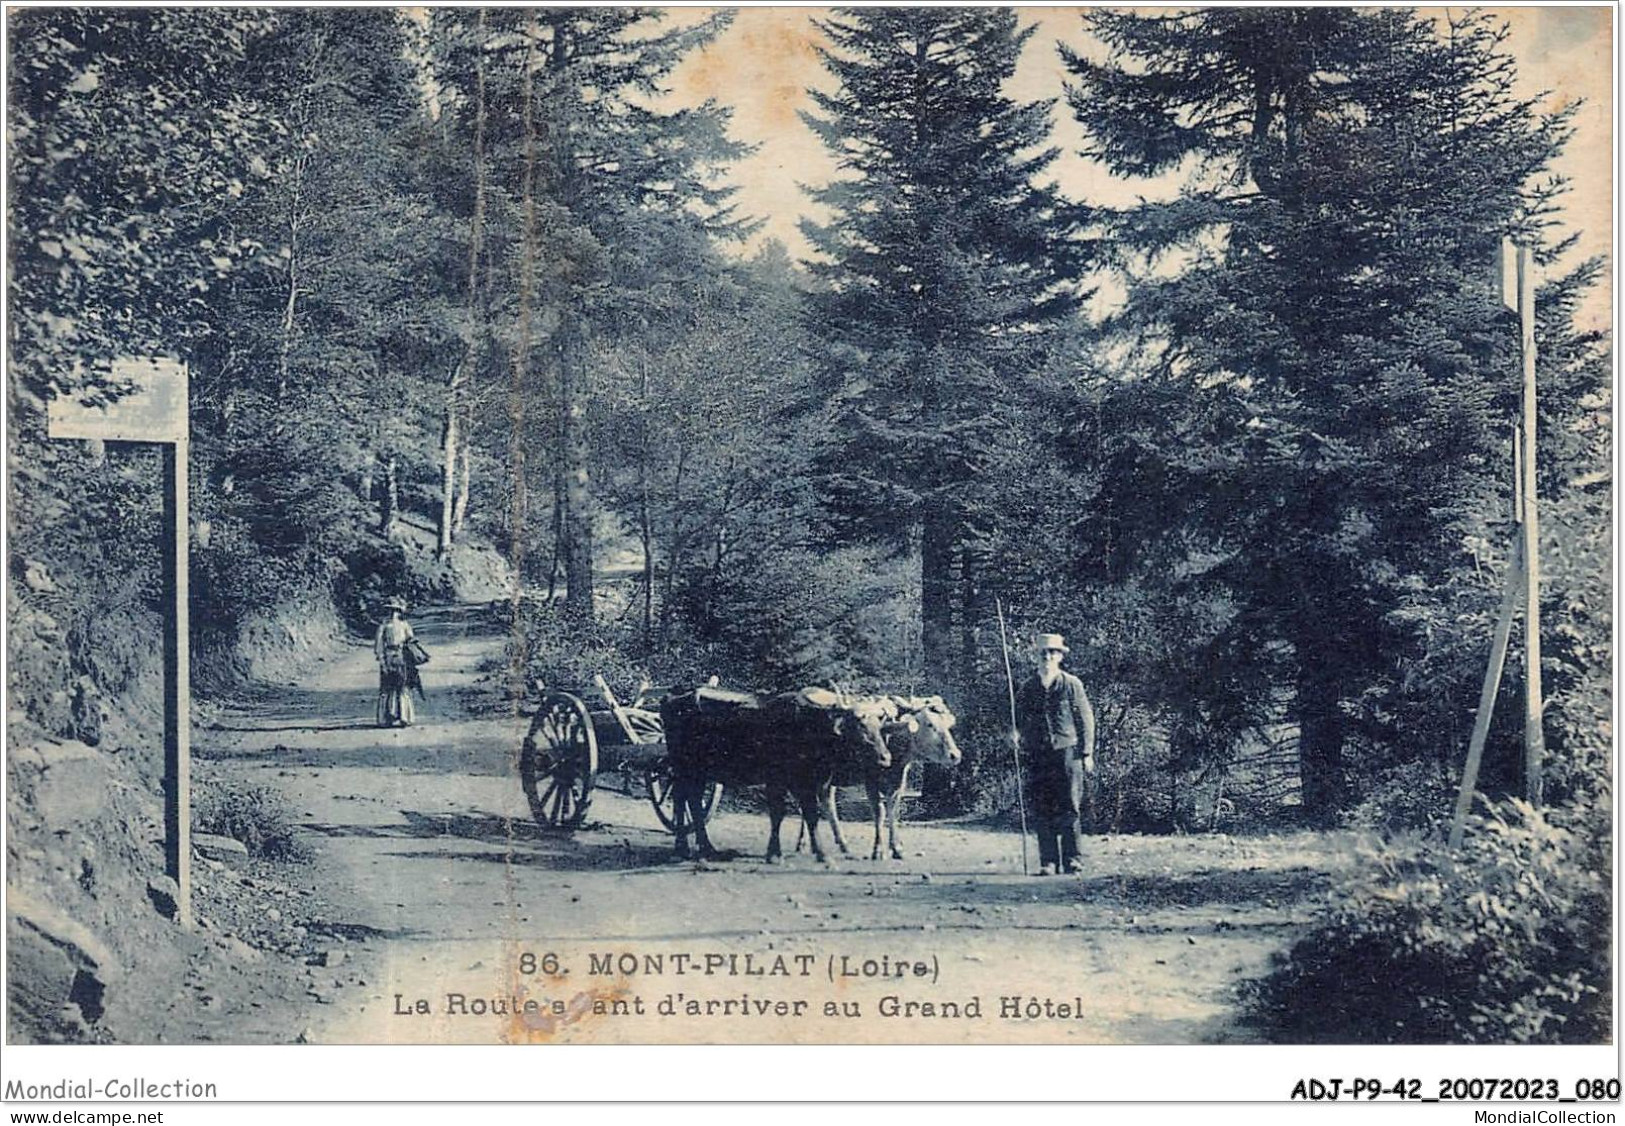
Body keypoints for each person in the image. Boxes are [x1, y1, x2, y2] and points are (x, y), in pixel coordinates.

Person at [1012, 632, 1096, 876]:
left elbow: (1086, 719)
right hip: (1038, 753)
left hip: (1068, 752)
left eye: (1052, 652)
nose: (1047, 657)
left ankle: (1072, 858)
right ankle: (1048, 861)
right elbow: (1017, 717)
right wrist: (1014, 733)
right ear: (1035, 656)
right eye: (1042, 653)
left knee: (1070, 805)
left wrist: (1087, 752)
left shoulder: (1071, 684)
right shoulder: (1028, 687)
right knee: (1042, 806)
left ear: (1060, 656)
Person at [374, 596, 417, 728]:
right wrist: (382, 660)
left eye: (395, 611)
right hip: (388, 656)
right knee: (387, 687)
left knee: (403, 686)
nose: (393, 614)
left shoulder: (405, 625)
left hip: (401, 656)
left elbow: (412, 641)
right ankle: (386, 718)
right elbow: (379, 646)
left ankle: (404, 716)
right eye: (390, 611)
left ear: (399, 612)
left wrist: (411, 654)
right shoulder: (384, 626)